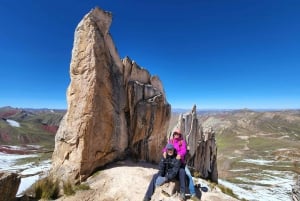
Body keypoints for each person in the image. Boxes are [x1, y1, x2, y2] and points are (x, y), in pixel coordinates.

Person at [163, 128, 200, 201]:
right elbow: (166, 148)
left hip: (181, 162)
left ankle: (192, 193)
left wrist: (180, 155)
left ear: (180, 135)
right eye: (175, 133)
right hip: (172, 162)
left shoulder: (182, 142)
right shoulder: (171, 141)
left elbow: (184, 150)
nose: (176, 135)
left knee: (188, 175)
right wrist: (164, 151)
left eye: (178, 134)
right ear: (173, 134)